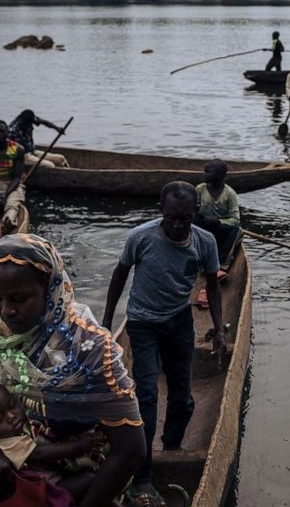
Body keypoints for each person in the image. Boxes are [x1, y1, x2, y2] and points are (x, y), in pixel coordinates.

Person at [0, 233, 146, 507]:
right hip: (12, 473)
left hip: (84, 477)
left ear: (49, 287)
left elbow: (130, 451)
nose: (6, 311)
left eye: (19, 299)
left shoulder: (90, 349)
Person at [102, 181, 227, 506]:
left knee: (183, 398)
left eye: (184, 219)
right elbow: (120, 275)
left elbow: (213, 286)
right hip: (142, 323)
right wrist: (106, 322)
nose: (177, 225)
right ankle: (143, 475)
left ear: (194, 214)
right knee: (145, 395)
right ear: (161, 212)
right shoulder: (140, 237)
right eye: (171, 218)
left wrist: (220, 330)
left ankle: (171, 445)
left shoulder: (205, 242)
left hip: (179, 321)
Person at [0, 377, 107, 504]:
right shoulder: (5, 444)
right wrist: (79, 446)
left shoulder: (0, 436)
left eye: (12, 405)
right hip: (42, 489)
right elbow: (38, 454)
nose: (11, 416)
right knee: (91, 478)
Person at [194, 159, 242, 288]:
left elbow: (235, 219)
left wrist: (218, 222)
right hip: (204, 229)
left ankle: (219, 265)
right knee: (193, 220)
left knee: (236, 229)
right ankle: (196, 257)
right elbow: (193, 208)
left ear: (220, 175)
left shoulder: (229, 193)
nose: (204, 175)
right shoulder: (200, 189)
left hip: (219, 229)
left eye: (208, 172)